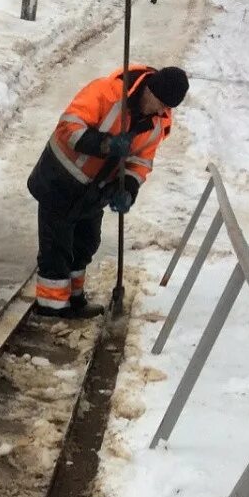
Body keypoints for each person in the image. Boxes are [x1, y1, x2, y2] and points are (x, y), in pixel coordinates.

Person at [27, 65, 189, 317]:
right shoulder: (106, 92)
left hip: (94, 191)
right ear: (148, 89)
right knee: (56, 246)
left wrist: (128, 188)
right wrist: (106, 143)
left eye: (167, 107)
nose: (161, 111)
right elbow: (68, 128)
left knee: (87, 243)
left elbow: (142, 161)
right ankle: (51, 308)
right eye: (159, 103)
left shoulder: (158, 122)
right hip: (60, 180)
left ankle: (73, 298)